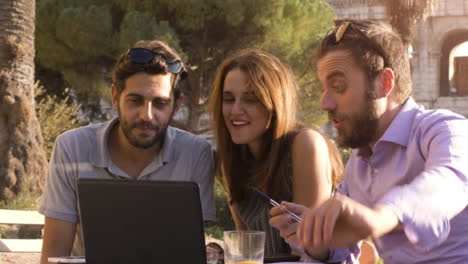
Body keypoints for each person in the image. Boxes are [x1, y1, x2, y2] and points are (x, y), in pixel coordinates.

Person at [271, 20, 468, 263]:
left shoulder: (446, 129)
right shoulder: (359, 163)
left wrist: (378, 217)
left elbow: (450, 183)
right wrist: (316, 239)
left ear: (384, 83)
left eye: (338, 86)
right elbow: (342, 255)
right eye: (324, 88)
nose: (325, 103)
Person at [39, 40, 216, 264]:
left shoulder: (196, 153)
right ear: (115, 97)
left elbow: (188, 254)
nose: (147, 115)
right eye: (135, 100)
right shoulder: (72, 147)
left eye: (160, 103)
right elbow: (54, 257)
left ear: (177, 105)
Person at [209, 48, 343, 257]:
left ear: (274, 104)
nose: (235, 110)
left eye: (250, 99)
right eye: (228, 99)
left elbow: (308, 252)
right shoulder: (231, 159)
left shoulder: (306, 144)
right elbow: (245, 249)